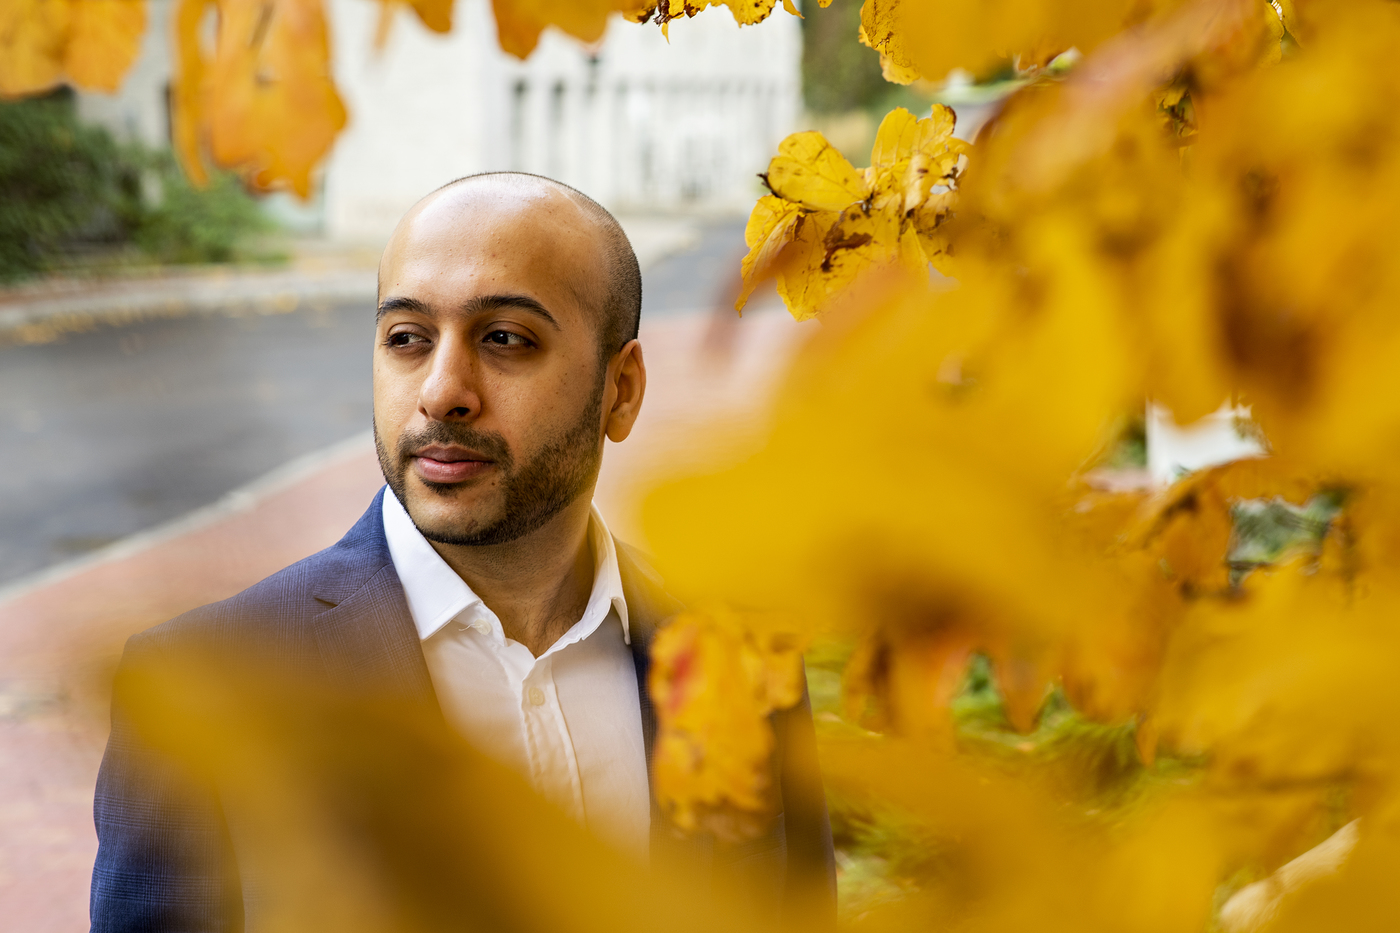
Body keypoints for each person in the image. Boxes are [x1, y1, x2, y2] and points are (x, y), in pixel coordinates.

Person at [89, 173, 835, 931]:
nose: (442, 391)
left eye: (505, 338)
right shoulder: (202, 688)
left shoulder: (740, 663)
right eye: (407, 339)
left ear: (622, 390)